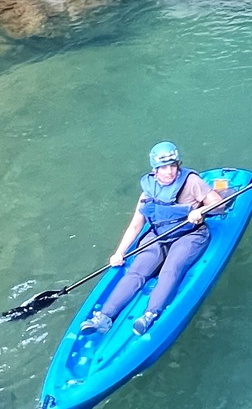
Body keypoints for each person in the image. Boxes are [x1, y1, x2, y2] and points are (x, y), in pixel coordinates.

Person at [82, 142, 228, 337]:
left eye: (173, 165)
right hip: (158, 236)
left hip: (191, 234)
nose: (169, 172)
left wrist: (200, 211)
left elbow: (219, 205)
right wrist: (119, 252)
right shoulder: (148, 190)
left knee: (171, 269)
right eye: (163, 167)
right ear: (155, 170)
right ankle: (104, 318)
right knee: (136, 271)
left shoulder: (192, 182)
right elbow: (135, 225)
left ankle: (150, 314)